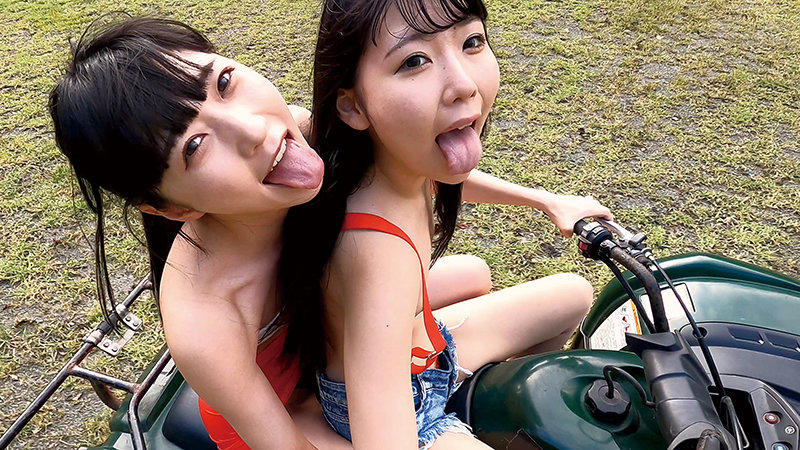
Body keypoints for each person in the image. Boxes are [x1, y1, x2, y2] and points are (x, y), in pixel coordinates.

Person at [278, 0, 614, 448]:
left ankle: (489, 410)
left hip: (429, 353)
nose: (463, 84)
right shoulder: (378, 254)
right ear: (353, 105)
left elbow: (448, 177)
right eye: (414, 61)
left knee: (572, 294)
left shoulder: (391, 162)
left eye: (472, 41)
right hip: (403, 411)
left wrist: (546, 200)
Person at [48, 17, 349, 449]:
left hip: (326, 354)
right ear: (171, 208)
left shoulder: (297, 135)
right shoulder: (204, 322)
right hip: (278, 418)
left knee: (458, 287)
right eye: (194, 146)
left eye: (223, 83)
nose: (253, 129)